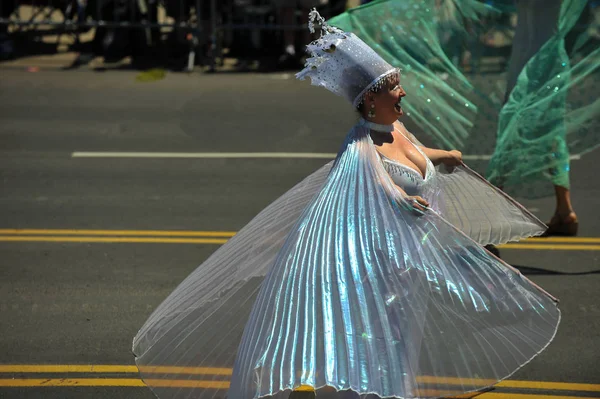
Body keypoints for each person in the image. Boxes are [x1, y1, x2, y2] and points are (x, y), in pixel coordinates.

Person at [133, 10, 560, 399]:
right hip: (378, 269)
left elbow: (413, 154)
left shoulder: (397, 130)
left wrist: (443, 157)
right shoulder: (359, 148)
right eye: (395, 87)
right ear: (372, 98)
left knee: (401, 343)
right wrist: (405, 200)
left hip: (407, 265)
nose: (403, 92)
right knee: (375, 341)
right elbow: (375, 190)